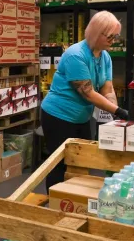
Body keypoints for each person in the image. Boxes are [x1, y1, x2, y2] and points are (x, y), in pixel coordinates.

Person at [40, 11, 128, 191]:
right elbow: (87, 92)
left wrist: (115, 113)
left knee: (81, 160)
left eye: (115, 36)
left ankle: (74, 199)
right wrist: (118, 111)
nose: (114, 40)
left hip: (81, 117)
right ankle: (55, 200)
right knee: (60, 162)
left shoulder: (105, 57)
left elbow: (107, 88)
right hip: (58, 116)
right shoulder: (75, 55)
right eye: (110, 36)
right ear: (97, 33)